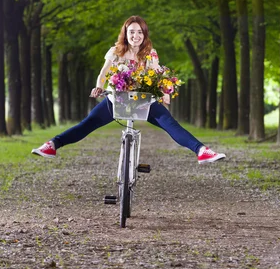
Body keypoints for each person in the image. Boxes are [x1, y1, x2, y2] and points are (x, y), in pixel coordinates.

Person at [31, 16, 226, 164]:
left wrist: (165, 90)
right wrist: (99, 87)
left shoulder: (150, 54)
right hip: (118, 99)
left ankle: (201, 151)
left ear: (145, 34)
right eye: (132, 31)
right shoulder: (116, 51)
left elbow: (158, 74)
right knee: (88, 123)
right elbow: (103, 74)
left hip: (143, 100)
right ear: (125, 33)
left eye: (140, 32)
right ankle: (52, 145)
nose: (136, 36)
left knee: (171, 125)